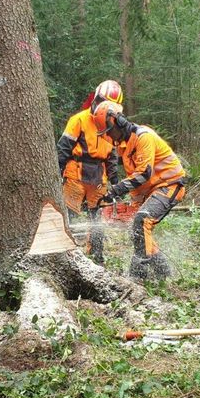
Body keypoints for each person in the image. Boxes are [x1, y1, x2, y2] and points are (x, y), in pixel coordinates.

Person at [93, 100, 186, 281]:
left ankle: (137, 277)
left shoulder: (144, 137)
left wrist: (116, 190)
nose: (109, 137)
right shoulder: (123, 145)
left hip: (169, 185)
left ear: (118, 121)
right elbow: (117, 168)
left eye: (109, 132)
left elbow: (144, 173)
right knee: (137, 228)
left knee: (142, 220)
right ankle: (164, 274)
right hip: (148, 192)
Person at [57, 80, 123, 263]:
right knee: (69, 212)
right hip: (75, 172)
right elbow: (64, 148)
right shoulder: (79, 119)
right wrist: (57, 171)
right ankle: (64, 252)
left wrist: (115, 182)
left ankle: (96, 253)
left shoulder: (112, 126)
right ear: (95, 99)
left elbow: (111, 156)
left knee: (97, 216)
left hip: (98, 174)